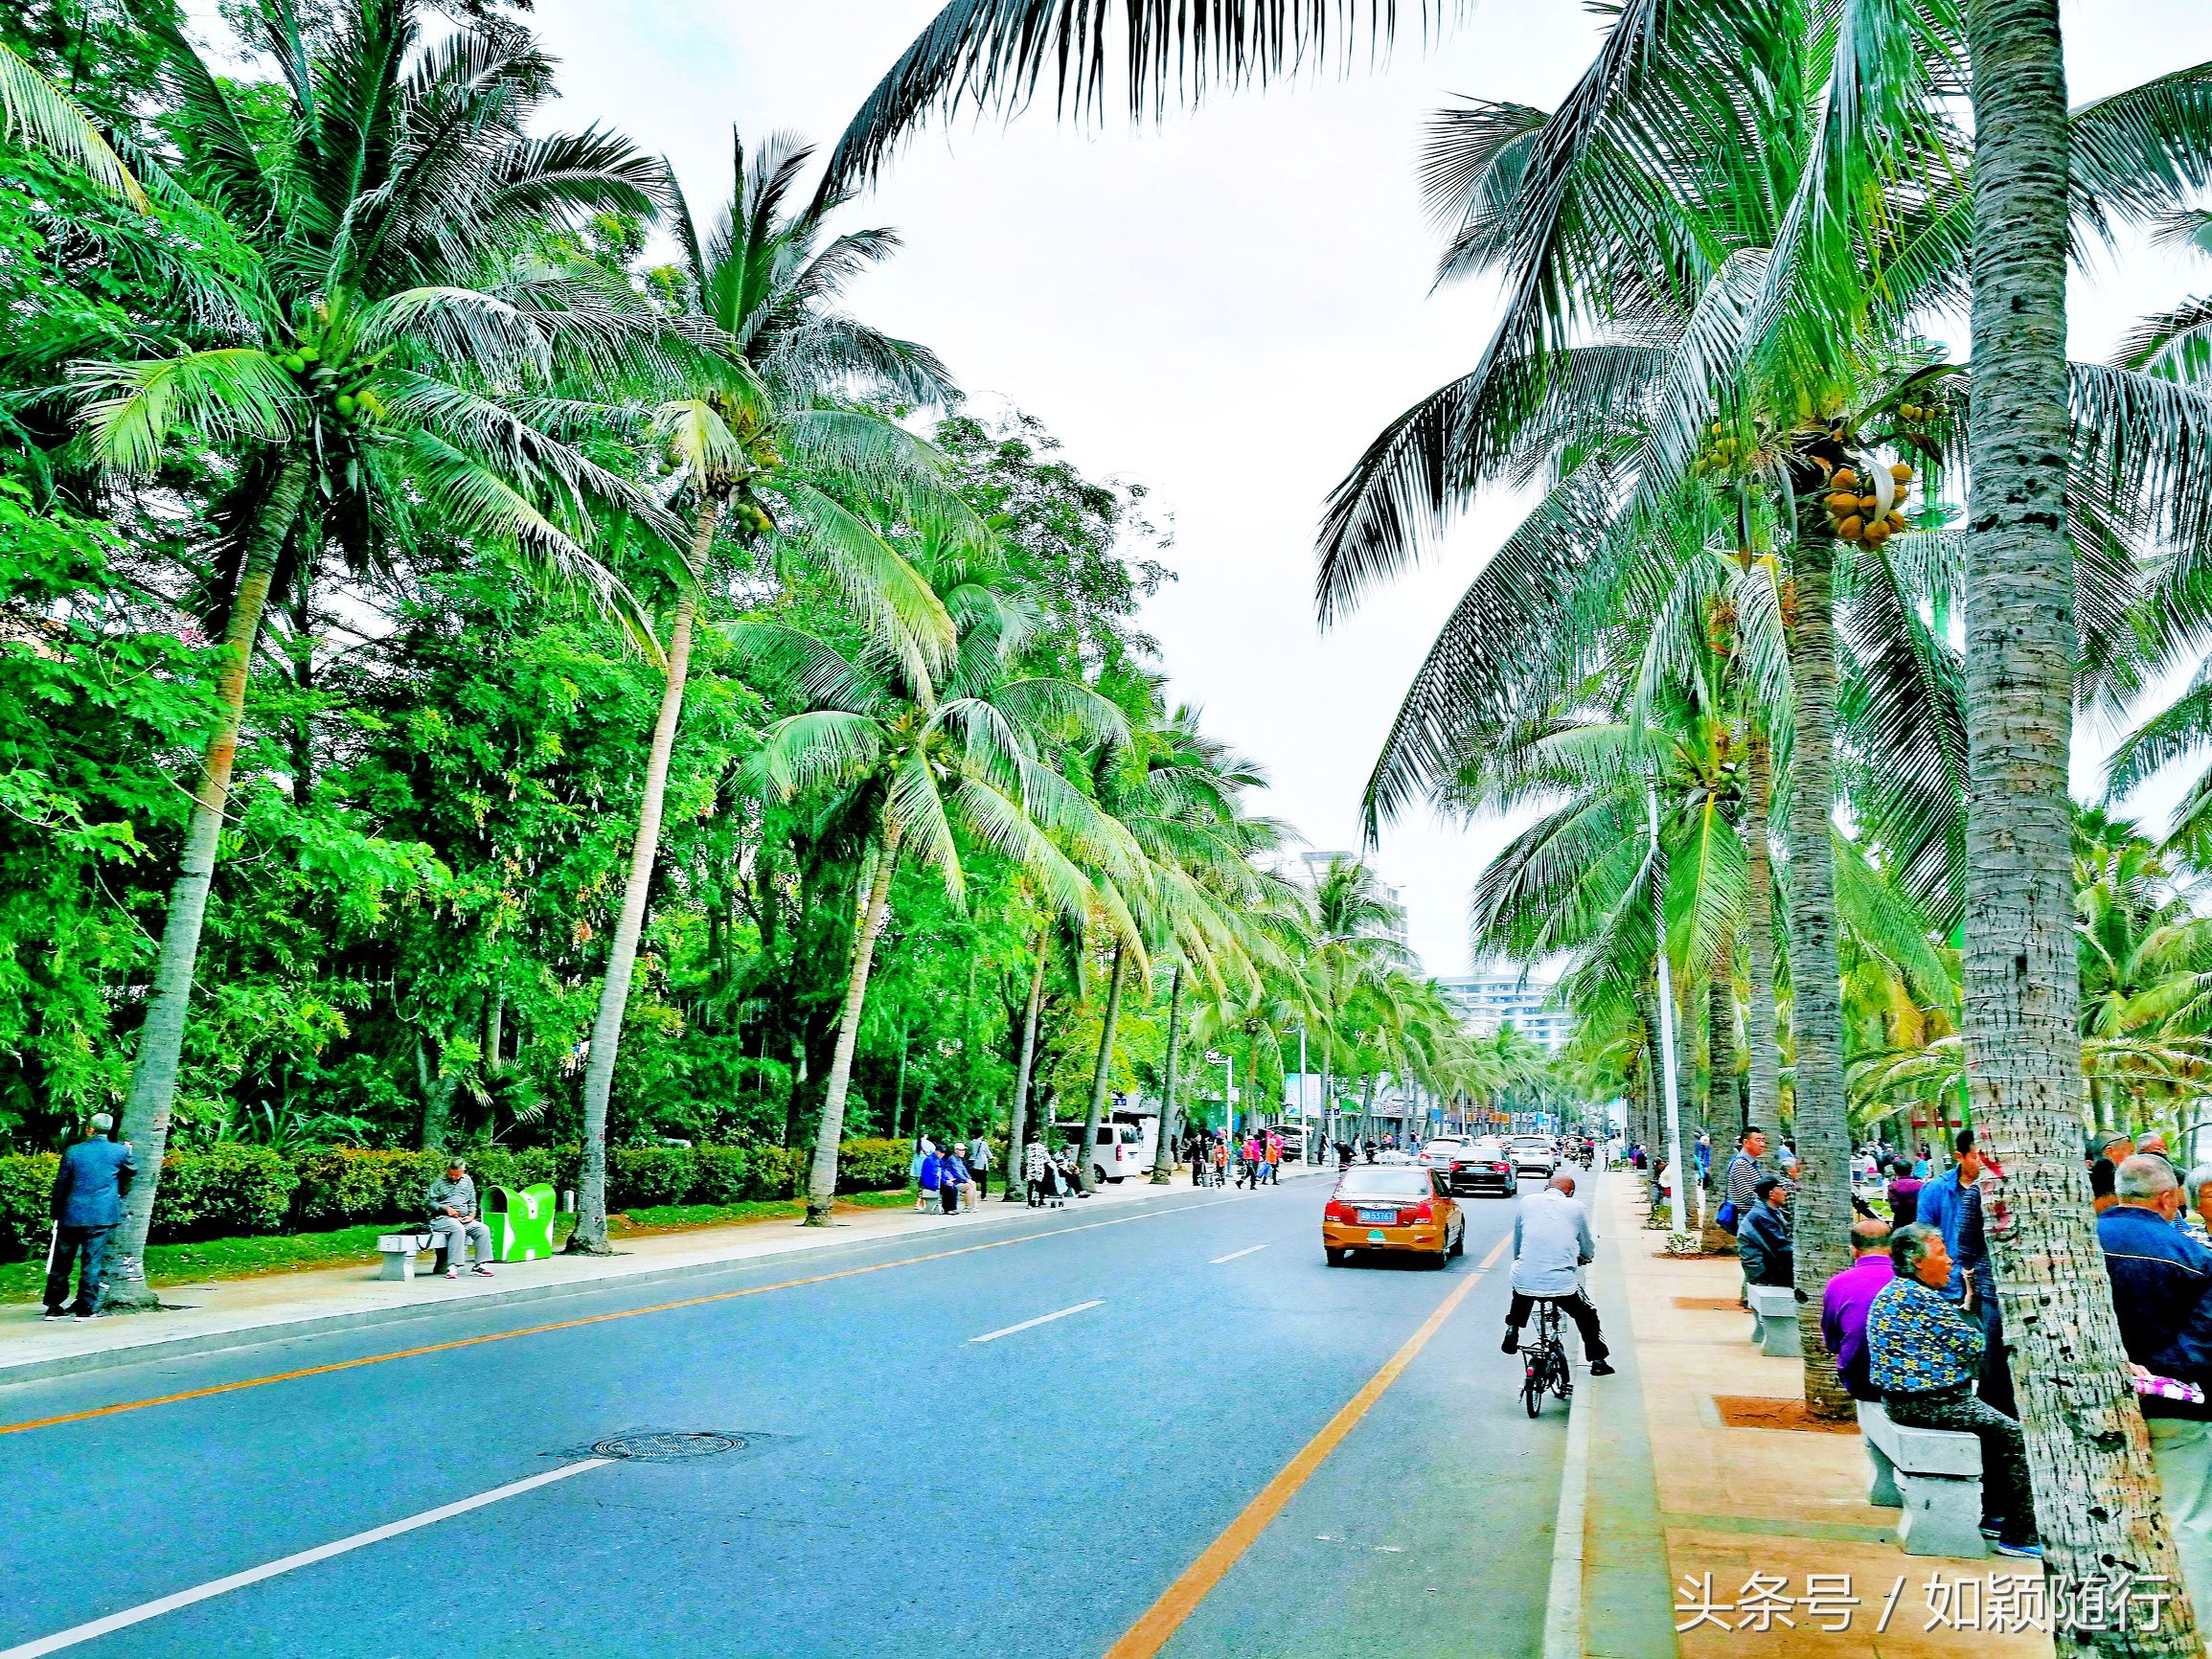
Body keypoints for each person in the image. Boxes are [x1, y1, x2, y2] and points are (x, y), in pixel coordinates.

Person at [1867, 1224, 2041, 1557]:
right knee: (2015, 1434)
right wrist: (1974, 1305)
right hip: (1928, 1402)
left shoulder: (1901, 1292)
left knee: (1994, 1428)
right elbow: (1974, 1345)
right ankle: (2020, 1535)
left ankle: (1995, 1515)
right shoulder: (1918, 1298)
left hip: (1911, 1400)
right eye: (1941, 1252)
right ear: (1916, 1261)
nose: (1950, 1261)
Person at [2099, 1154, 2212, 1392]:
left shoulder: (2076, 1243)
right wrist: (2151, 1379)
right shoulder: (2195, 1256)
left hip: (2086, 1388)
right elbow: (2202, 1337)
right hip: (2172, 1401)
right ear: (2166, 1197)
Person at [1500, 1173, 1614, 1375]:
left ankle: (1513, 1329)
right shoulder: (1576, 1207)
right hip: (1561, 1283)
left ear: (1546, 1187)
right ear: (1570, 1193)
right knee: (1587, 1315)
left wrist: (1520, 1261)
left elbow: (1518, 1239)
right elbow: (1586, 1246)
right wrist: (1585, 1257)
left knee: (1521, 1292)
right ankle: (1598, 1361)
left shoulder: (1527, 1202)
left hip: (1525, 1274)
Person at [43, 1112, 136, 1320]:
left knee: (61, 1262)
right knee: (92, 1261)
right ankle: (86, 1308)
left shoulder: (73, 1152)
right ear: (109, 1130)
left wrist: (56, 1212)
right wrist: (128, 1152)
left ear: (89, 1129)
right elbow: (132, 1170)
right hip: (101, 1215)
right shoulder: (119, 1152)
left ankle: (53, 1306)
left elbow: (61, 1184)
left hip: (71, 1214)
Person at [1819, 1217, 1897, 1399]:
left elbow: (1832, 1340)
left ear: (1854, 1251)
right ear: (1891, 1249)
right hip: (1907, 1376)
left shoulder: (1837, 1284)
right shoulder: (1910, 1280)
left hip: (1859, 1376)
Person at [1913, 1128, 1980, 1264]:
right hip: (1952, 1275)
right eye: (1976, 1158)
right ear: (1959, 1156)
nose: (1984, 1163)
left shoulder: (2001, 1188)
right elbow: (1925, 1235)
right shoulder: (1935, 1189)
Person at [426, 1158, 494, 1280]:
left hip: (463, 1218)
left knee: (483, 1229)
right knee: (458, 1229)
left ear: (463, 1171)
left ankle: (481, 1265)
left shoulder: (467, 1180)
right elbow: (430, 1203)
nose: (453, 1177)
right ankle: (453, 1266)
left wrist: (471, 1215)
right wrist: (444, 1208)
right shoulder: (438, 1181)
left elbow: (472, 1201)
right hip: (442, 1219)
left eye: (456, 1175)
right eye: (450, 1174)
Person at [1737, 1176, 1794, 1288]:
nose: (1785, 1193)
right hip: (1762, 1271)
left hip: (1767, 1264)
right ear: (1771, 1194)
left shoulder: (1770, 1211)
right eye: (1782, 1189)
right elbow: (1781, 1247)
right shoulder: (1761, 1216)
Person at [2088, 1129, 2134, 1216]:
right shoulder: (2112, 1181)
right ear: (2109, 1151)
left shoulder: (2082, 1179)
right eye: (2130, 1153)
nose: (2133, 1158)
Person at [1885, 1156, 1924, 1228]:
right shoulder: (1921, 1185)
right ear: (1911, 1170)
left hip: (1900, 1223)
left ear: (1895, 1172)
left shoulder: (1893, 1186)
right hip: (1919, 1223)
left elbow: (1894, 1207)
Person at [940, 1145, 969, 1215]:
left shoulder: (959, 1159)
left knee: (953, 1188)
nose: (963, 1152)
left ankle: (955, 1208)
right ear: (956, 1150)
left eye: (963, 1150)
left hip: (949, 1180)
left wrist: (969, 1179)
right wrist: (946, 1181)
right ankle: (948, 1209)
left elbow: (964, 1170)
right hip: (943, 1181)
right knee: (950, 1188)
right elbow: (956, 1173)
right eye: (961, 1150)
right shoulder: (952, 1159)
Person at [917, 1141, 943, 1213]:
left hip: (934, 1180)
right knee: (948, 1187)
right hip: (931, 1182)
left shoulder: (937, 1159)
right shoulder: (930, 1160)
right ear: (937, 1151)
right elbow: (934, 1173)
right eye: (941, 1153)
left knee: (951, 1186)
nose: (942, 1155)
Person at [1025, 1134, 1048, 1208]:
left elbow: (1025, 1156)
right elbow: (1047, 1158)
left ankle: (1029, 1202)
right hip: (1039, 1168)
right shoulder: (1042, 1146)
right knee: (1040, 1185)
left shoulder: (1027, 1147)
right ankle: (1041, 1201)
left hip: (1030, 1168)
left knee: (1030, 1186)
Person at [969, 1133, 992, 1199]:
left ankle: (972, 1194)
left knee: (973, 1180)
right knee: (983, 1181)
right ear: (981, 1135)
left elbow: (969, 1152)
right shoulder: (983, 1143)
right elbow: (988, 1152)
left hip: (973, 1163)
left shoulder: (971, 1143)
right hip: (982, 1164)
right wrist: (991, 1157)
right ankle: (983, 1196)